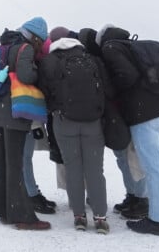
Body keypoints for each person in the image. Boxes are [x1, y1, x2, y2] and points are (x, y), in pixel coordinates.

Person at [98, 24, 159, 236]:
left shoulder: (110, 48)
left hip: (144, 114)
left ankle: (156, 221)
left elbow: (127, 76)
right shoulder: (132, 47)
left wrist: (112, 88)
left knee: (152, 167)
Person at [38, 26, 112, 234]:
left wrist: (56, 108)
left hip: (64, 121)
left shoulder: (49, 61)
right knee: (95, 170)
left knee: (73, 168)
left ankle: (79, 216)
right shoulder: (91, 59)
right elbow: (107, 88)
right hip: (93, 121)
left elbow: (44, 91)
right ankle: (100, 217)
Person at [0, 16, 51, 230]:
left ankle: (4, 211)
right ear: (34, 37)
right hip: (13, 112)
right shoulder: (24, 48)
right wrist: (37, 71)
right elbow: (26, 75)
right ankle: (22, 216)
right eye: (40, 40)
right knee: (15, 163)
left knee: (1, 161)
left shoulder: (5, 44)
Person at [78, 27, 148, 220]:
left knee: (130, 157)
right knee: (125, 157)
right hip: (121, 113)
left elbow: (112, 87)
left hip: (121, 113)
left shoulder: (104, 58)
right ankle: (134, 196)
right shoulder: (110, 55)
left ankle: (141, 199)